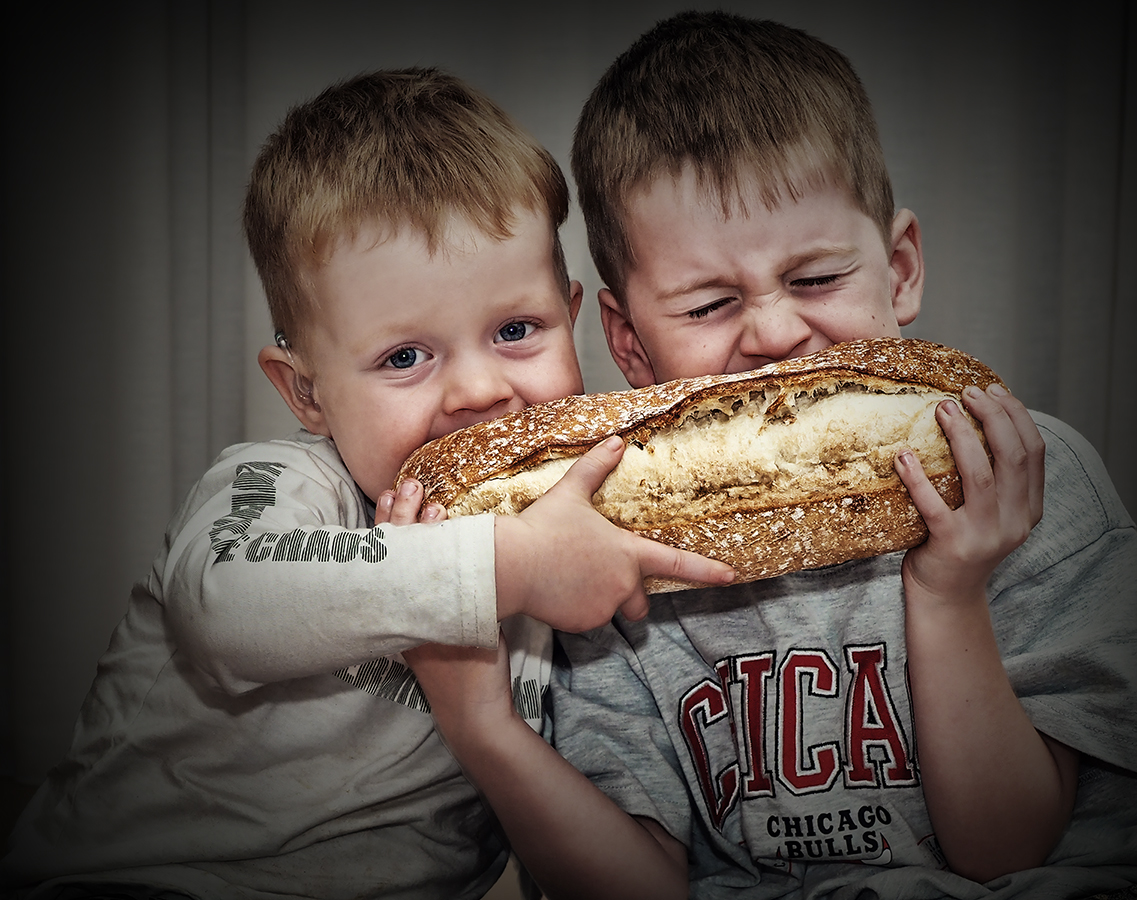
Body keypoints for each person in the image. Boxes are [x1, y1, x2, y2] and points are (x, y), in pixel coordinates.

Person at [405, 12, 1137, 900]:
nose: (778, 333)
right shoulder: (593, 554)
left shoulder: (1033, 482)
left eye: (817, 280)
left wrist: (949, 592)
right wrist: (479, 718)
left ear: (898, 269)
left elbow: (1008, 848)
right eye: (708, 305)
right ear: (627, 344)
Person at [0, 68, 731, 900]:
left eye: (516, 330)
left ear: (571, 318)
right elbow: (227, 607)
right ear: (306, 391)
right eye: (405, 358)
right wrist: (514, 565)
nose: (478, 391)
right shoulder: (280, 482)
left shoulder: (576, 529)